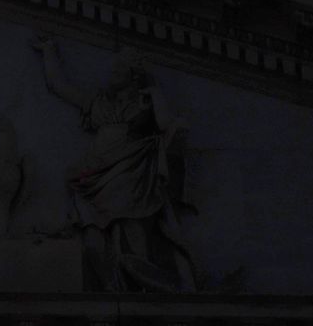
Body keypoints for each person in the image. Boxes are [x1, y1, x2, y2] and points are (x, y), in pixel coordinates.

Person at [32, 38, 196, 292]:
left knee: (133, 242)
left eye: (119, 71)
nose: (112, 75)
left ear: (133, 76)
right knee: (91, 239)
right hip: (93, 179)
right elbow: (58, 85)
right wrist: (49, 50)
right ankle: (113, 290)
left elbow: (166, 126)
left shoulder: (144, 103)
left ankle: (143, 290)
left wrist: (155, 93)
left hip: (131, 177)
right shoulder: (100, 103)